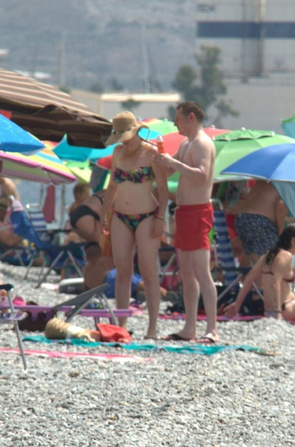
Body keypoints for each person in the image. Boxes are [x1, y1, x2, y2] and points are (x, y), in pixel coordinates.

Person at [151, 100, 218, 342]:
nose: (175, 122)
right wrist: (156, 159)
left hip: (199, 212)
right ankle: (190, 328)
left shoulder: (202, 142)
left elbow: (202, 175)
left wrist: (173, 163)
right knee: (187, 273)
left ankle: (212, 329)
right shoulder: (186, 142)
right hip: (183, 212)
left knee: (202, 271)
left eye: (177, 118)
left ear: (190, 117)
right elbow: (171, 170)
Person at [100, 111, 168, 339]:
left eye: (126, 135)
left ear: (137, 131)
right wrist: (103, 213)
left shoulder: (151, 153)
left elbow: (164, 189)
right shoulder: (118, 152)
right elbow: (112, 187)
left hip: (147, 215)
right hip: (120, 215)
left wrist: (160, 217)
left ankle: (152, 328)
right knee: (122, 272)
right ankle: (121, 326)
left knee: (148, 272)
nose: (124, 140)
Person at [222, 224, 295, 324]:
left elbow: (248, 279)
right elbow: (275, 283)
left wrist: (237, 304)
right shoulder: (286, 256)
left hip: (272, 309)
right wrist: (277, 313)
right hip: (285, 309)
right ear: (293, 240)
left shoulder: (268, 255)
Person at [225, 179, 286, 265]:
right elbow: (281, 206)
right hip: (260, 221)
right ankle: (261, 277)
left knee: (251, 258)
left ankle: (245, 277)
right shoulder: (282, 183)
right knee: (270, 263)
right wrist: (281, 233)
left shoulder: (262, 180)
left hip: (242, 218)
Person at [66, 183, 113, 290]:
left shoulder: (108, 191)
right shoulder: (117, 193)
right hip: (87, 215)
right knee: (103, 251)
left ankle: (88, 286)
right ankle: (96, 284)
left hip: (84, 214)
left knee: (98, 251)